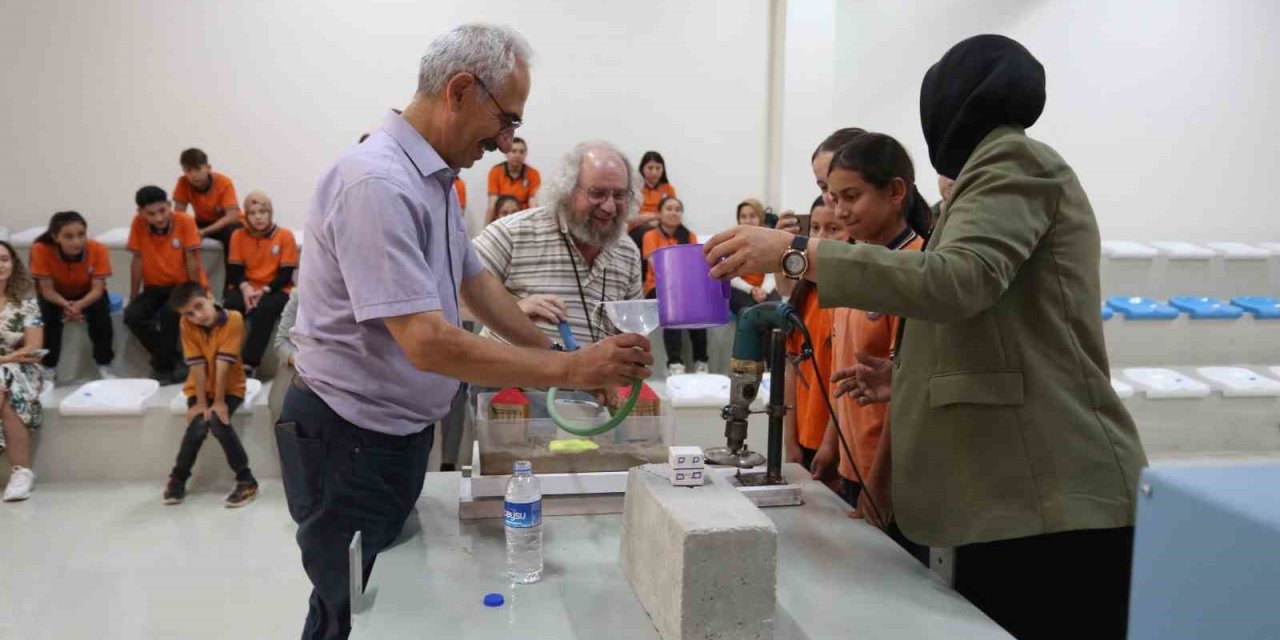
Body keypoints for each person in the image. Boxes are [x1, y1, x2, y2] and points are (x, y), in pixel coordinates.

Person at [706, 35, 1147, 640]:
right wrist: (906, 374)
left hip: (1046, 504)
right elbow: (990, 316)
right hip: (1008, 503)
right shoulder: (987, 174)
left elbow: (958, 279)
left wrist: (796, 253)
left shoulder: (1012, 161)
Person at [281, 25, 651, 640]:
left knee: (386, 599)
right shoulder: (377, 182)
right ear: (459, 89)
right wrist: (572, 371)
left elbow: (477, 286)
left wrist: (573, 356)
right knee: (348, 610)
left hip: (392, 437)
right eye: (505, 120)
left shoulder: (435, 182)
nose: (507, 141)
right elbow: (426, 343)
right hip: (346, 441)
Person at [809, 134, 931, 571]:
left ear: (896, 192)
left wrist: (879, 486)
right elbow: (847, 369)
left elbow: (907, 388)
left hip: (893, 478)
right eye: (831, 196)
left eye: (851, 197)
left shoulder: (917, 270)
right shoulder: (854, 266)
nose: (838, 210)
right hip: (852, 462)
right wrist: (830, 443)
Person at [473, 140, 645, 349]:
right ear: (567, 191)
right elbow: (452, 295)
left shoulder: (627, 251)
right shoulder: (512, 233)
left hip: (592, 381)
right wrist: (515, 309)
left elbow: (630, 332)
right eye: (597, 194)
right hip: (508, 379)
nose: (609, 207)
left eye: (619, 195)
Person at [162, 283, 258, 507]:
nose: (197, 316)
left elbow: (223, 363)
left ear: (210, 296)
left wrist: (218, 402)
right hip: (199, 387)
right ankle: (178, 477)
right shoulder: (186, 323)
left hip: (230, 387)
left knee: (218, 421)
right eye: (189, 313)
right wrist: (201, 403)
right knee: (197, 425)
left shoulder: (233, 318)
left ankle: (247, 480)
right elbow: (195, 363)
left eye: (199, 306)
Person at [783, 196, 847, 472]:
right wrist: (790, 439)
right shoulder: (804, 294)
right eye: (816, 228)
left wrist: (830, 443)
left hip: (839, 442)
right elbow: (792, 370)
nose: (822, 238)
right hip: (805, 434)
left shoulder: (852, 298)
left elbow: (847, 378)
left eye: (834, 229)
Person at [125, 186, 207, 384]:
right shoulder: (138, 224)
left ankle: (162, 367)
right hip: (154, 286)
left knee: (169, 314)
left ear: (169, 206)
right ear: (141, 213)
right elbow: (137, 261)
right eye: (151, 214)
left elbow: (192, 260)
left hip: (182, 285)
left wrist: (196, 293)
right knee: (132, 315)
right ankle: (174, 359)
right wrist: (134, 295)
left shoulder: (184, 221)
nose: (159, 218)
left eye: (162, 211)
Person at [29, 211, 115, 380]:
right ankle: (48, 368)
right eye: (68, 236)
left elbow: (97, 290)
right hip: (55, 294)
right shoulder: (40, 249)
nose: (77, 242)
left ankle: (104, 364)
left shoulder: (98, 249)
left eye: (81, 235)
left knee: (102, 318)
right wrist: (66, 305)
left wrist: (78, 305)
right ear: (55, 237)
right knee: (48, 319)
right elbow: (46, 290)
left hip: (88, 293)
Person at [224, 191, 299, 376]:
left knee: (265, 308)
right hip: (245, 287)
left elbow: (286, 274)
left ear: (270, 213)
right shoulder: (238, 236)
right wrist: (246, 289)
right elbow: (234, 270)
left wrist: (263, 290)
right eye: (252, 213)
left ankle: (249, 365)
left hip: (276, 288)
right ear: (246, 216)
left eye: (262, 212)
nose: (258, 217)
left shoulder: (284, 236)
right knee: (231, 307)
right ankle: (225, 360)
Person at [641, 195, 706, 376]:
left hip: (684, 287)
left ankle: (701, 361)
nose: (673, 212)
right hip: (657, 287)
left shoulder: (689, 236)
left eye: (677, 209)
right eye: (669, 208)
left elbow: (694, 264)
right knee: (673, 305)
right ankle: (675, 363)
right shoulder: (650, 235)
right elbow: (656, 264)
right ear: (660, 213)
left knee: (699, 309)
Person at [0, 240, 43, 502]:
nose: (0, 265)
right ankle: (22, 470)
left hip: (21, 366)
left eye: (5, 259)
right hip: (6, 366)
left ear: (13, 264)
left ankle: (21, 472)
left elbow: (34, 346)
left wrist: (3, 359)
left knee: (5, 381)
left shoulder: (26, 303)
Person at [173, 148, 241, 258]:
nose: (194, 175)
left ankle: (232, 274)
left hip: (225, 224)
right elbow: (179, 214)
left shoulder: (224, 182)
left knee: (232, 233)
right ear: (184, 171)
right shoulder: (183, 182)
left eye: (198, 169)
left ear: (208, 168)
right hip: (202, 222)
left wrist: (204, 232)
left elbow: (232, 216)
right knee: (176, 230)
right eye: (189, 171)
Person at [728, 199, 779, 316]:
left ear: (760, 218)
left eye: (752, 216)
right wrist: (751, 290)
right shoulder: (732, 242)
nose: (748, 221)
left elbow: (772, 274)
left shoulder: (770, 240)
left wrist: (763, 291)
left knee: (776, 307)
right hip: (741, 289)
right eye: (743, 217)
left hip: (765, 288)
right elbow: (732, 276)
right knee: (750, 311)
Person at [628, 150, 677, 247]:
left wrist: (649, 217)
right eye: (650, 168)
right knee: (650, 234)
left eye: (658, 168)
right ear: (642, 169)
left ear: (663, 169)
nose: (654, 172)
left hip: (664, 227)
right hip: (638, 229)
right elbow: (632, 218)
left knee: (683, 233)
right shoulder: (635, 189)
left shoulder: (668, 189)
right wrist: (656, 217)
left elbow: (673, 214)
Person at [486, 136, 540, 222]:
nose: (517, 155)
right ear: (506, 153)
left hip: (523, 218)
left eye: (521, 152)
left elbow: (533, 202)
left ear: (525, 154)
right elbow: (492, 204)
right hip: (502, 218)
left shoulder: (533, 174)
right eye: (514, 151)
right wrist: (487, 227)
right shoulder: (495, 171)